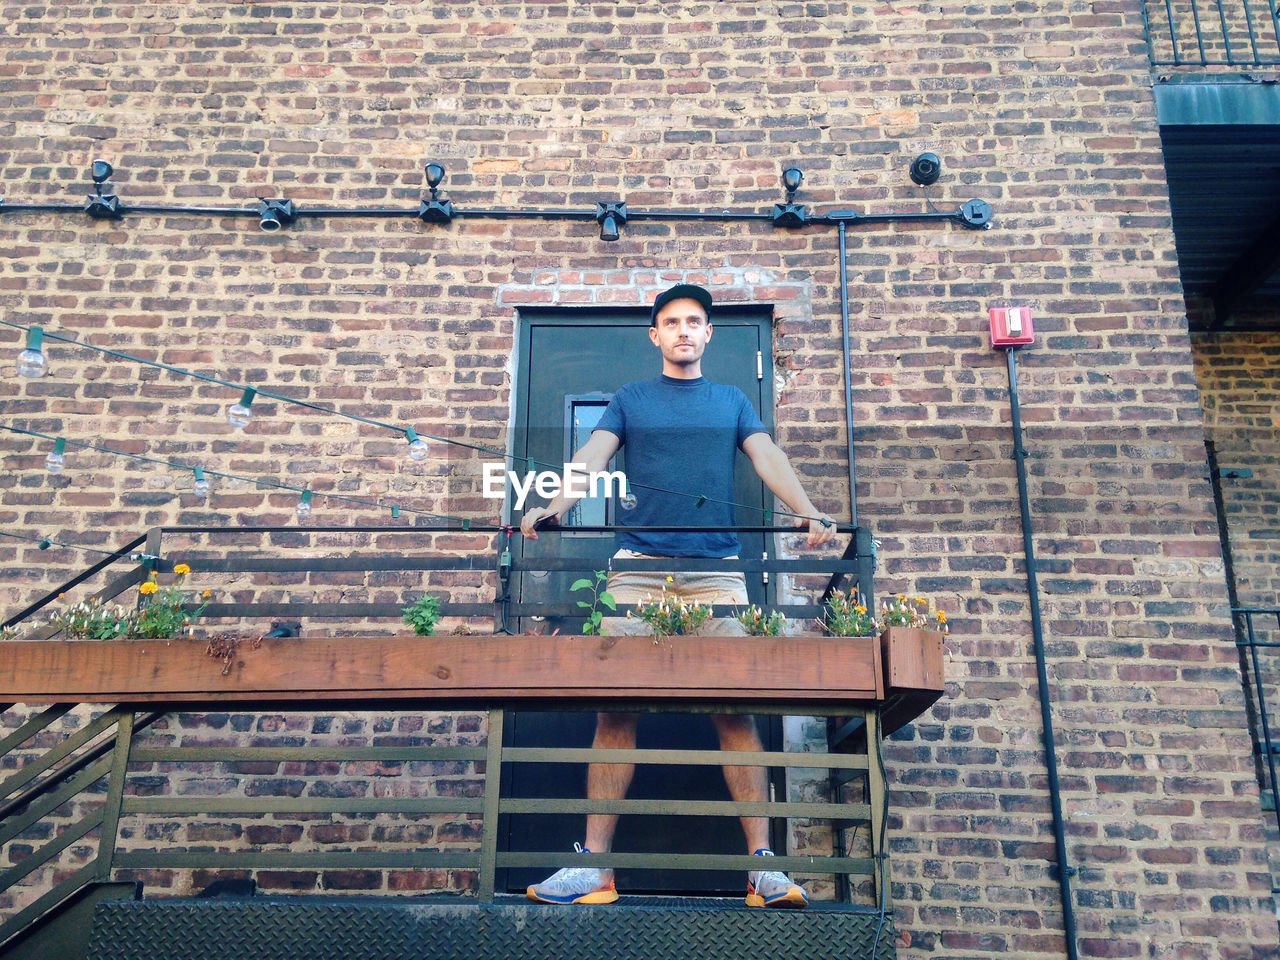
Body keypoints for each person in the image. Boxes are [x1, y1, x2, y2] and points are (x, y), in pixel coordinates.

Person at [519, 282, 837, 908]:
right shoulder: (632, 399)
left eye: (695, 321)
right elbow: (590, 457)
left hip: (717, 574)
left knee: (734, 712)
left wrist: (807, 510)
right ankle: (595, 869)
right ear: (655, 335)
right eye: (672, 322)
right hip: (637, 573)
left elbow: (767, 455)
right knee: (615, 711)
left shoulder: (731, 400)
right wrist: (552, 506)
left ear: (709, 333)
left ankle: (762, 871)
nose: (684, 331)